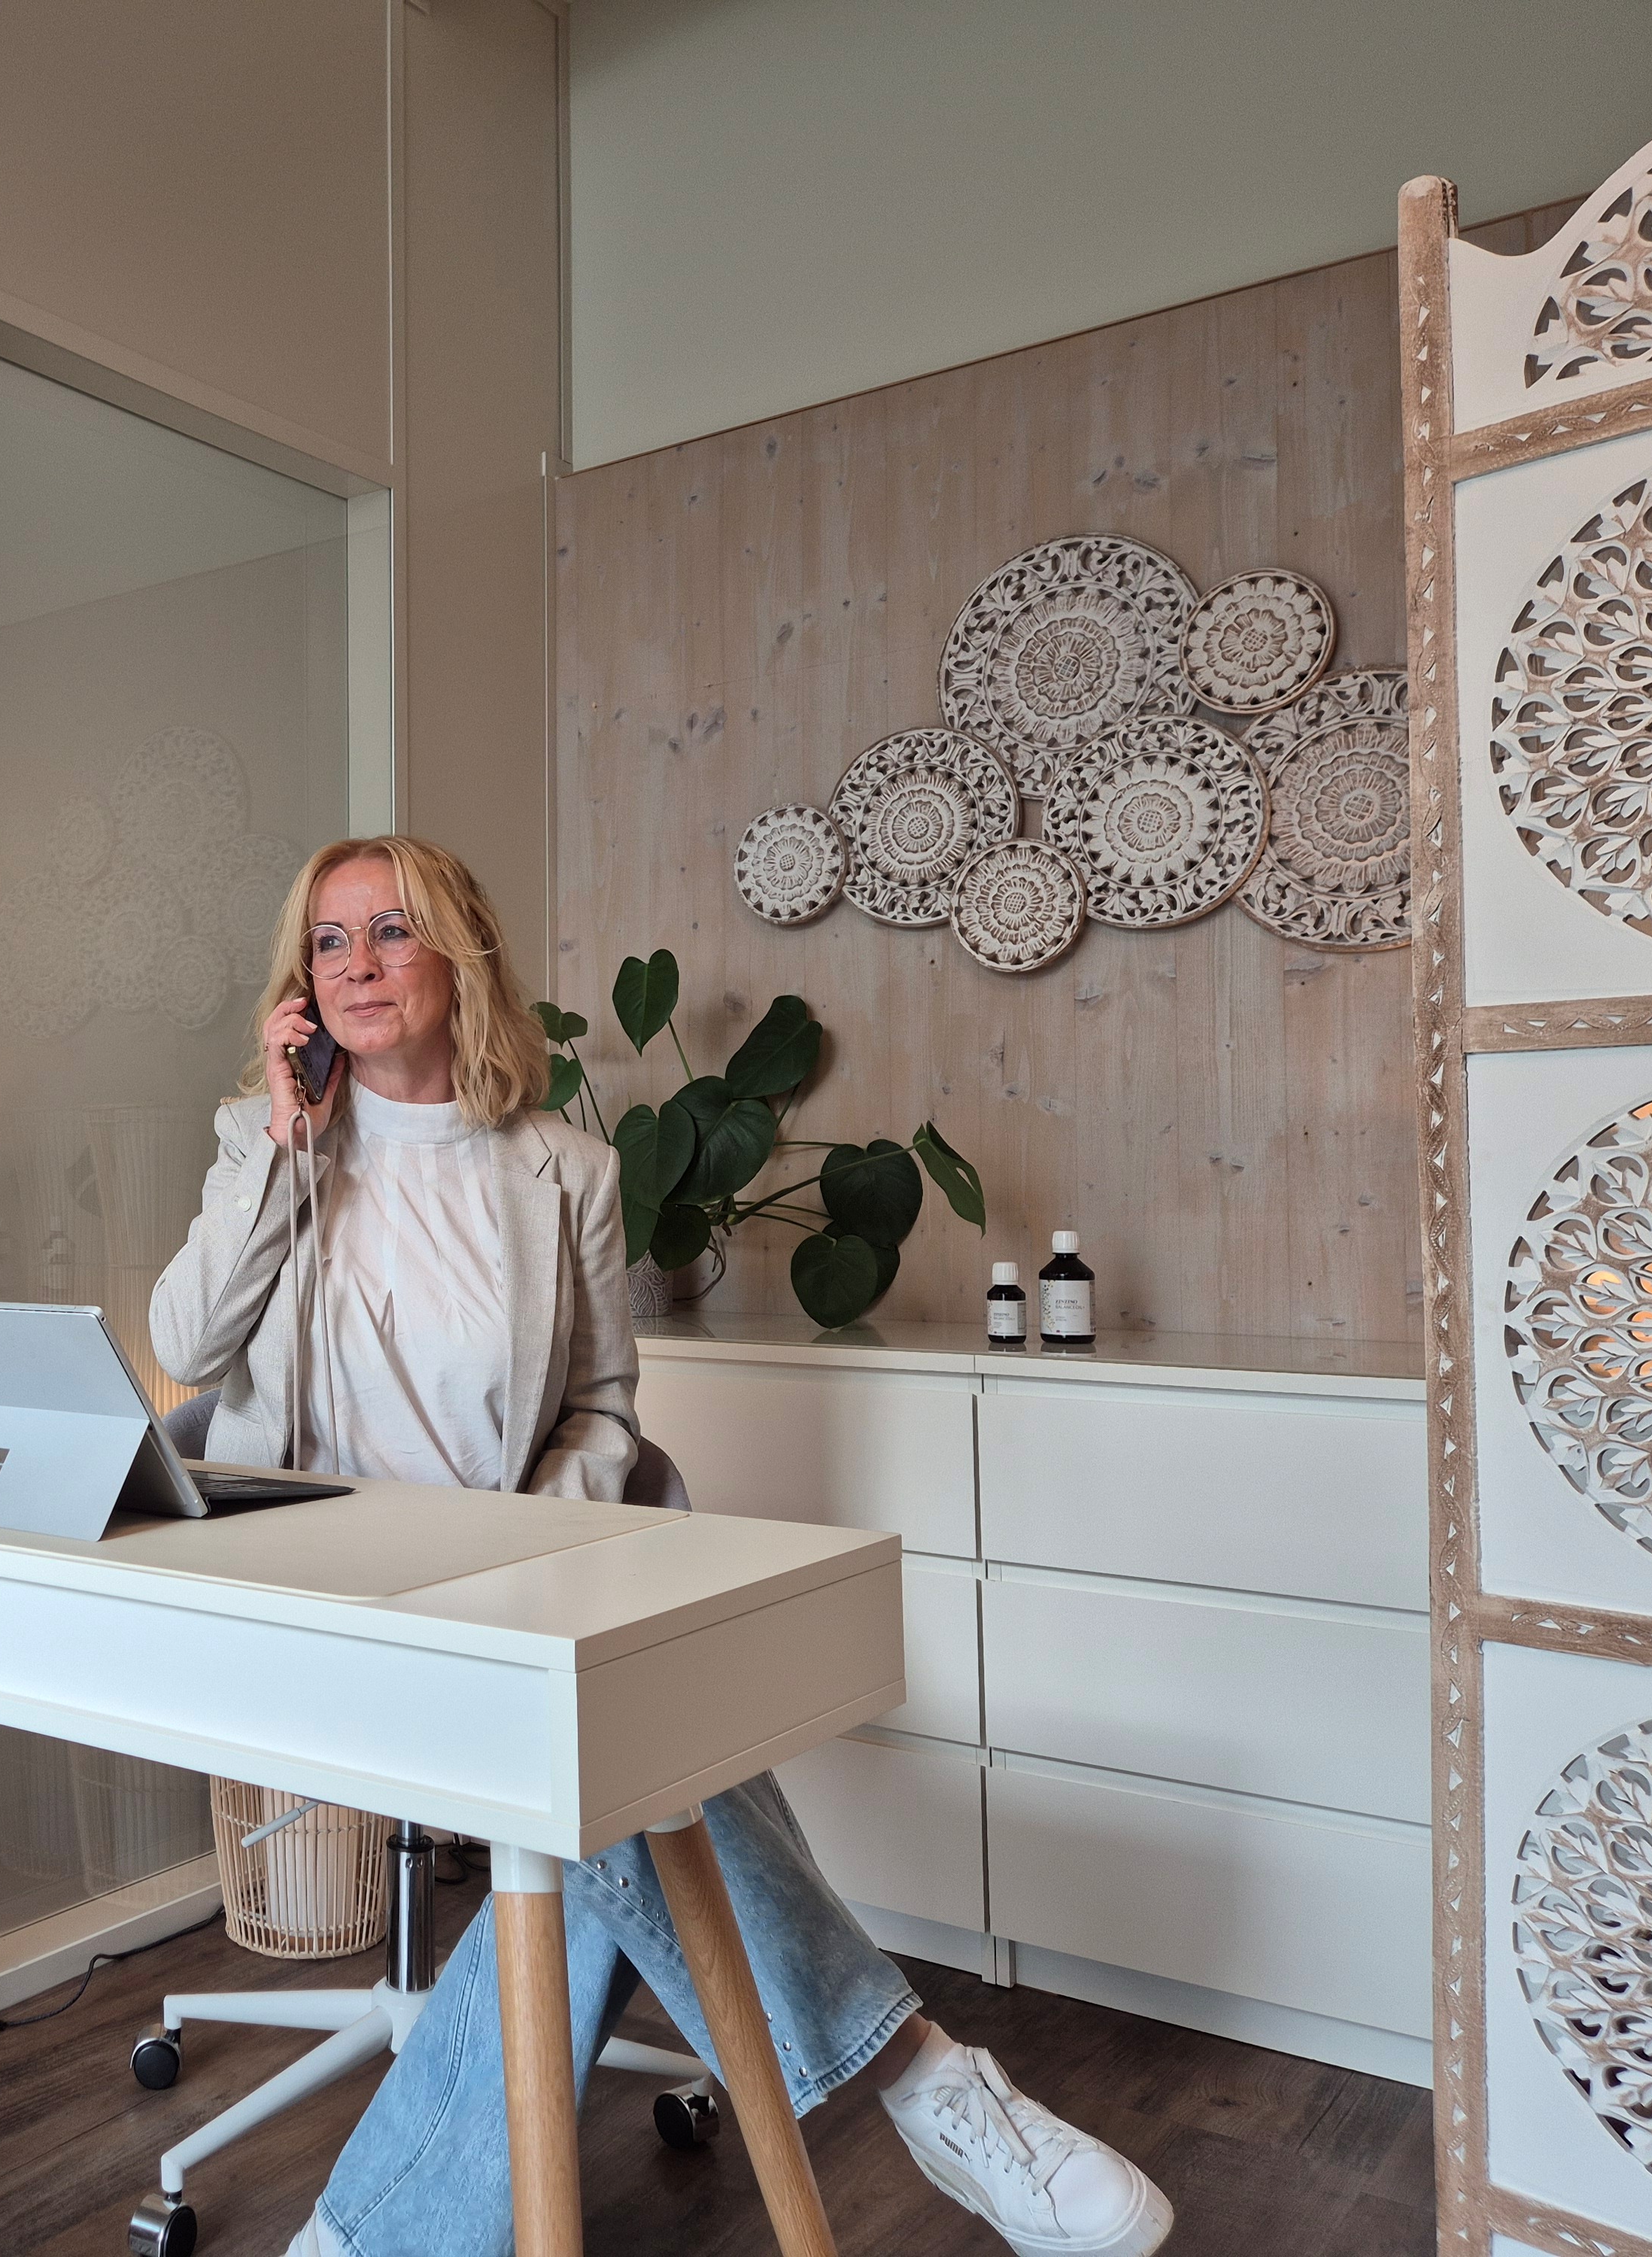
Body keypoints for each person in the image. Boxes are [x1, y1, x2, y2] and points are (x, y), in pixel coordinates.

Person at [150, 836, 1172, 2257]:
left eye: (392, 930)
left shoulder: (563, 1169)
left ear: (459, 954)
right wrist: (283, 1138)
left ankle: (366, 2239)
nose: (358, 966)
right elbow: (188, 1343)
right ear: (301, 986)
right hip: (325, 1609)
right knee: (632, 1765)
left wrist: (522, 1550)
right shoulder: (261, 1144)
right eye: (329, 941)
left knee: (602, 1787)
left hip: (515, 1588)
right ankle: (928, 2081)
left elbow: (599, 1412)